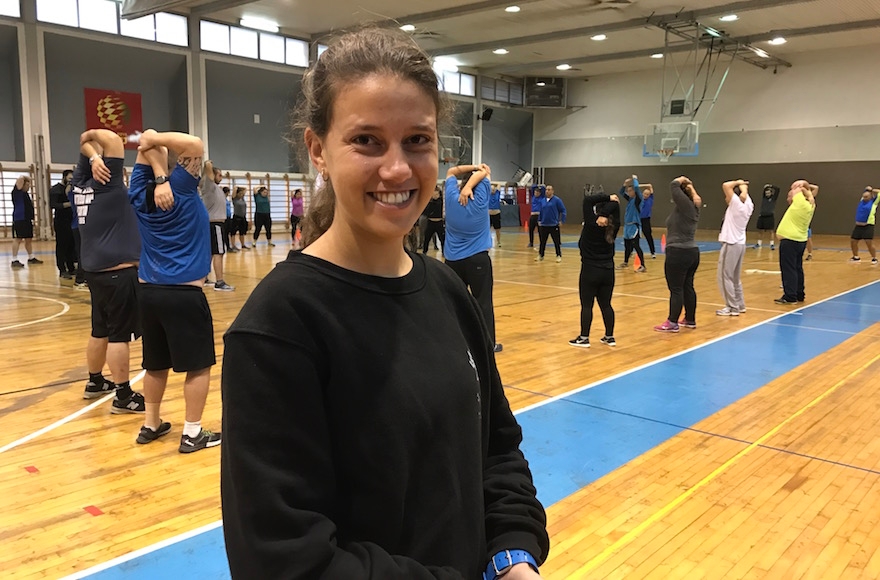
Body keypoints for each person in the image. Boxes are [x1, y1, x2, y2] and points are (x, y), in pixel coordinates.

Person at [221, 27, 548, 580]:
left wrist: (513, 556)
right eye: (367, 141)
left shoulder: (447, 292)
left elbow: (496, 449)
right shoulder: (281, 324)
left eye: (416, 140)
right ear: (318, 150)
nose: (397, 169)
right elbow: (283, 556)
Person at [127, 129, 222, 453]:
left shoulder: (138, 192)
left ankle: (151, 423)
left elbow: (145, 145)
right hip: (183, 294)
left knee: (154, 363)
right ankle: (192, 432)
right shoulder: (180, 186)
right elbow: (194, 144)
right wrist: (163, 171)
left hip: (149, 292)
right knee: (197, 366)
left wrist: (154, 162)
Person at [72, 128, 145, 413]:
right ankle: (123, 395)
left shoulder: (78, 183)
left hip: (93, 268)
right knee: (119, 335)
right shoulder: (109, 184)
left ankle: (94, 382)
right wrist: (91, 137)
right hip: (117, 271)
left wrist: (91, 156)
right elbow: (111, 139)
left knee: (99, 328)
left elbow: (85, 143)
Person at [445, 162, 504, 353]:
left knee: (454, 304)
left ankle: (455, 342)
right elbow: (485, 172)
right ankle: (488, 344)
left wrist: (471, 169)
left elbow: (451, 171)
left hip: (452, 261)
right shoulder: (480, 201)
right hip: (477, 259)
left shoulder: (451, 197)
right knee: (483, 302)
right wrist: (473, 183)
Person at [570, 191, 620, 348]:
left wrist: (606, 198)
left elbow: (587, 200)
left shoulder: (592, 223)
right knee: (606, 304)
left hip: (590, 270)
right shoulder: (614, 226)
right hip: (608, 271)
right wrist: (610, 206)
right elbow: (616, 206)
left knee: (587, 305)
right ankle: (609, 336)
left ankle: (584, 337)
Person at [655, 176, 701, 332]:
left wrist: (682, 179)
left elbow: (673, 185)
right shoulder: (693, 206)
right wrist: (691, 188)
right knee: (688, 286)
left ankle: (672, 322)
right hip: (691, 252)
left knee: (676, 289)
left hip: (678, 252)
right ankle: (690, 319)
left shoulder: (686, 205)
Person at [775, 180, 818, 304]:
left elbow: (799, 190)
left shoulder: (799, 204)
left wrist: (799, 184)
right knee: (797, 268)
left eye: (789, 195)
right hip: (800, 241)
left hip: (790, 240)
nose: (789, 197)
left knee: (788, 269)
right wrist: (806, 188)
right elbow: (811, 192)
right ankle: (799, 293)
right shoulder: (810, 205)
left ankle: (790, 296)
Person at [716, 179, 755, 316]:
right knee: (735, 278)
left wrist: (738, 182)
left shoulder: (736, 204)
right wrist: (744, 188)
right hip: (740, 244)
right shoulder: (749, 204)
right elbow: (744, 193)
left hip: (731, 244)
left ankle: (732, 307)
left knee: (724, 276)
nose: (726, 198)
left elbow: (726, 185)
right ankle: (740, 304)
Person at [199, 160, 235, 291]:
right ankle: (219, 282)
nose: (222, 177)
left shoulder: (216, 188)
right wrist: (208, 164)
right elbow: (208, 168)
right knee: (218, 253)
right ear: (212, 176)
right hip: (215, 225)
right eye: (219, 175)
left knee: (209, 253)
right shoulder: (209, 186)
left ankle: (205, 278)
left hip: (213, 225)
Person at [10, 176, 43, 268]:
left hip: (27, 220)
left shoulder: (25, 194)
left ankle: (31, 257)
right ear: (22, 185)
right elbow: (20, 179)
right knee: (18, 239)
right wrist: (26, 178)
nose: (29, 186)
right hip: (19, 219)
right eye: (27, 184)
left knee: (28, 239)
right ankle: (14, 260)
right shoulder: (17, 192)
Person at [50, 169, 77, 278]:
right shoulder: (55, 189)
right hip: (61, 221)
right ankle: (62, 269)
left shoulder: (72, 189)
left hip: (71, 220)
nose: (71, 181)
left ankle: (71, 268)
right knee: (62, 245)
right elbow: (53, 205)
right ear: (64, 177)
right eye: (69, 178)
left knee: (71, 244)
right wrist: (69, 204)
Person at [618, 176, 646, 272]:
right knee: (627, 246)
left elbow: (638, 190)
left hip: (634, 226)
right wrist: (625, 184)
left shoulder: (638, 200)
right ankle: (625, 262)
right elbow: (621, 192)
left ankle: (643, 265)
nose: (629, 192)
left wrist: (635, 180)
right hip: (627, 226)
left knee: (636, 246)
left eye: (630, 191)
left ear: (634, 191)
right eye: (628, 191)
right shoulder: (630, 200)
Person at [535, 184, 566, 262]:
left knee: (556, 241)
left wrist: (561, 220)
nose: (547, 191)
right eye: (546, 190)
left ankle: (558, 255)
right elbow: (541, 211)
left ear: (552, 191)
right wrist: (539, 220)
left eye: (549, 190)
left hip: (553, 224)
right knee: (542, 241)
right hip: (544, 224)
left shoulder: (557, 200)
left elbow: (563, 210)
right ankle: (541, 255)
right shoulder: (542, 201)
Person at [849, 186, 880, 264]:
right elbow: (866, 189)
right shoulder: (862, 200)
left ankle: (874, 258)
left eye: (866, 197)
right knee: (853, 241)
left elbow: (879, 192)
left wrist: (872, 190)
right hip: (858, 225)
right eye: (864, 196)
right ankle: (856, 257)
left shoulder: (874, 203)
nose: (864, 198)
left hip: (868, 225)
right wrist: (868, 189)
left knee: (869, 242)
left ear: (871, 196)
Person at [421, 184, 445, 253]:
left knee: (442, 239)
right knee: (427, 238)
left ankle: (444, 252)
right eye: (433, 192)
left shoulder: (441, 201)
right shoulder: (429, 201)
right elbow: (425, 212)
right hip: (430, 222)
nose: (435, 194)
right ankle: (424, 251)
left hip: (439, 222)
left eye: (436, 192)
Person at [756, 184, 780, 249]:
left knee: (771, 231)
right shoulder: (764, 197)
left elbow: (777, 189)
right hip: (762, 216)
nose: (767, 194)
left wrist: (771, 186)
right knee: (760, 230)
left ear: (771, 193)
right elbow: (764, 189)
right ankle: (759, 243)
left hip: (769, 216)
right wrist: (765, 187)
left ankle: (771, 244)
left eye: (768, 193)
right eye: (766, 193)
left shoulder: (773, 198)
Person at [639, 183, 656, 258]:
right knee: (634, 237)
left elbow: (650, 185)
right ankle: (630, 252)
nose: (645, 195)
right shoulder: (640, 199)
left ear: (649, 195)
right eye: (644, 194)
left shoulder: (651, 199)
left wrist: (640, 185)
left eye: (647, 194)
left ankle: (653, 252)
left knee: (648, 236)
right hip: (638, 220)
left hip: (646, 220)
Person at [223, 186, 238, 252]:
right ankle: (227, 247)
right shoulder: (222, 199)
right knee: (225, 233)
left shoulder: (226, 199)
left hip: (229, 217)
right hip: (224, 218)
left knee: (229, 232)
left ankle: (230, 246)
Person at [489, 183, 502, 247]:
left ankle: (498, 241)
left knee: (497, 229)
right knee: (487, 229)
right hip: (489, 214)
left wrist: (493, 184)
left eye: (493, 189)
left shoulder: (497, 193)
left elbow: (499, 185)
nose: (492, 191)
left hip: (496, 213)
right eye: (491, 189)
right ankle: (487, 241)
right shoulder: (487, 194)